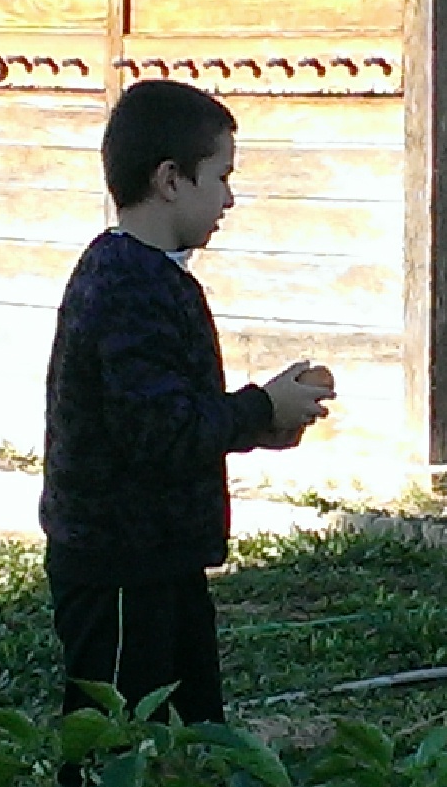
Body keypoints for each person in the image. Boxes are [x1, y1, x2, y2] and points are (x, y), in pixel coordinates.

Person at [39, 79, 335, 724]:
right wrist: (260, 409)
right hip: (121, 569)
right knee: (115, 746)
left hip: (159, 560)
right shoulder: (126, 284)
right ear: (171, 179)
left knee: (193, 740)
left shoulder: (151, 275)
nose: (230, 198)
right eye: (220, 177)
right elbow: (159, 429)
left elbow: (169, 414)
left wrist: (265, 421)